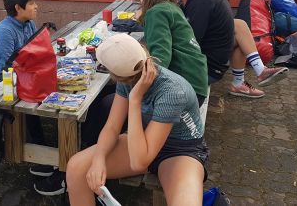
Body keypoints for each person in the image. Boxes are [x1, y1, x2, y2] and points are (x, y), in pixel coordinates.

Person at [66, 34, 208, 206]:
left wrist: (135, 99)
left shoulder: (172, 91)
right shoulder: (129, 76)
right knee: (76, 168)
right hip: (143, 139)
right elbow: (112, 127)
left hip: (179, 150)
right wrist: (98, 159)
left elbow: (139, 162)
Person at [173, 0, 288, 98]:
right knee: (239, 26)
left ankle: (254, 74)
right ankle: (244, 80)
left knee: (238, 27)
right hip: (215, 60)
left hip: (206, 68)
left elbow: (191, 40)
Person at [0, 0, 60, 193]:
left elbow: (30, 55)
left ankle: (42, 152)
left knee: (45, 89)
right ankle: (41, 155)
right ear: (18, 7)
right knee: (32, 100)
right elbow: (7, 67)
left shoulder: (28, 23)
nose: (36, 6)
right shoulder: (5, 31)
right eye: (32, 3)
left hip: (18, 72)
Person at [135, 0, 209, 105]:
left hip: (185, 89)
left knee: (111, 102)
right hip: (197, 82)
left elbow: (161, 57)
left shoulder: (156, 12)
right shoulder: (171, 8)